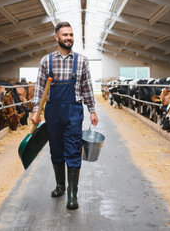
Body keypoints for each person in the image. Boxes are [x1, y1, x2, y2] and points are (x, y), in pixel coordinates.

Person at [31, 21, 98, 210]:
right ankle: (60, 185)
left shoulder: (82, 61)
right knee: (56, 151)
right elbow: (39, 88)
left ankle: (72, 194)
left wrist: (92, 110)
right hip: (53, 112)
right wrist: (36, 110)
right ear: (56, 37)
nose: (69, 38)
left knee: (73, 151)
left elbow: (87, 87)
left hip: (74, 112)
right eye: (65, 35)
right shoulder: (46, 61)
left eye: (71, 35)